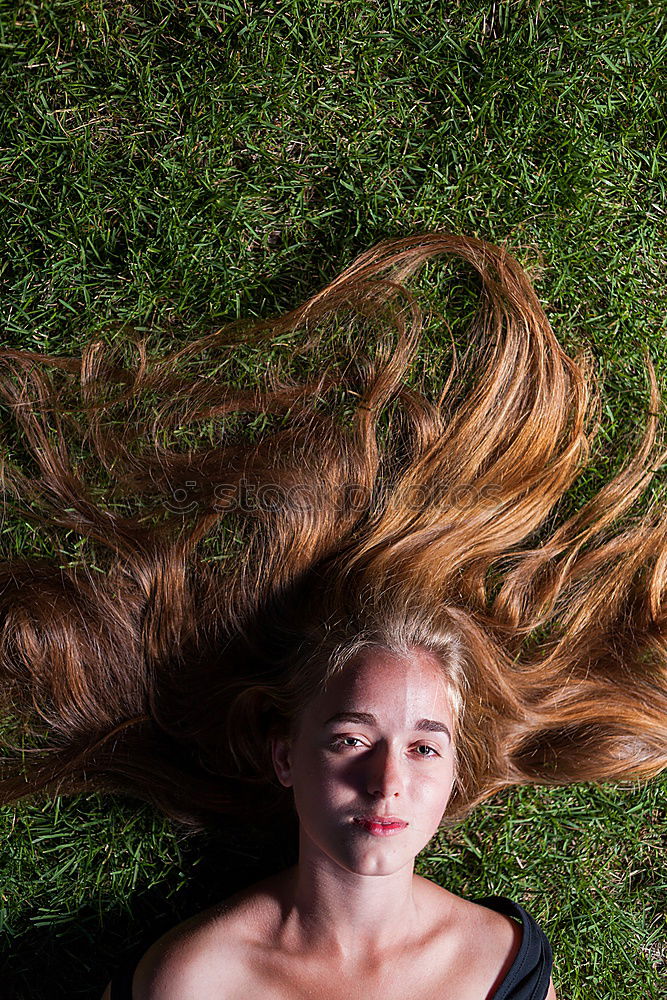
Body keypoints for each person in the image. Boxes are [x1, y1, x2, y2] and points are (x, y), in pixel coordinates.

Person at [0, 232, 664, 998]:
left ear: (453, 772)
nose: (385, 783)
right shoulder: (198, 979)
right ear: (285, 755)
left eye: (424, 749)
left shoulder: (502, 966)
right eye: (351, 738)